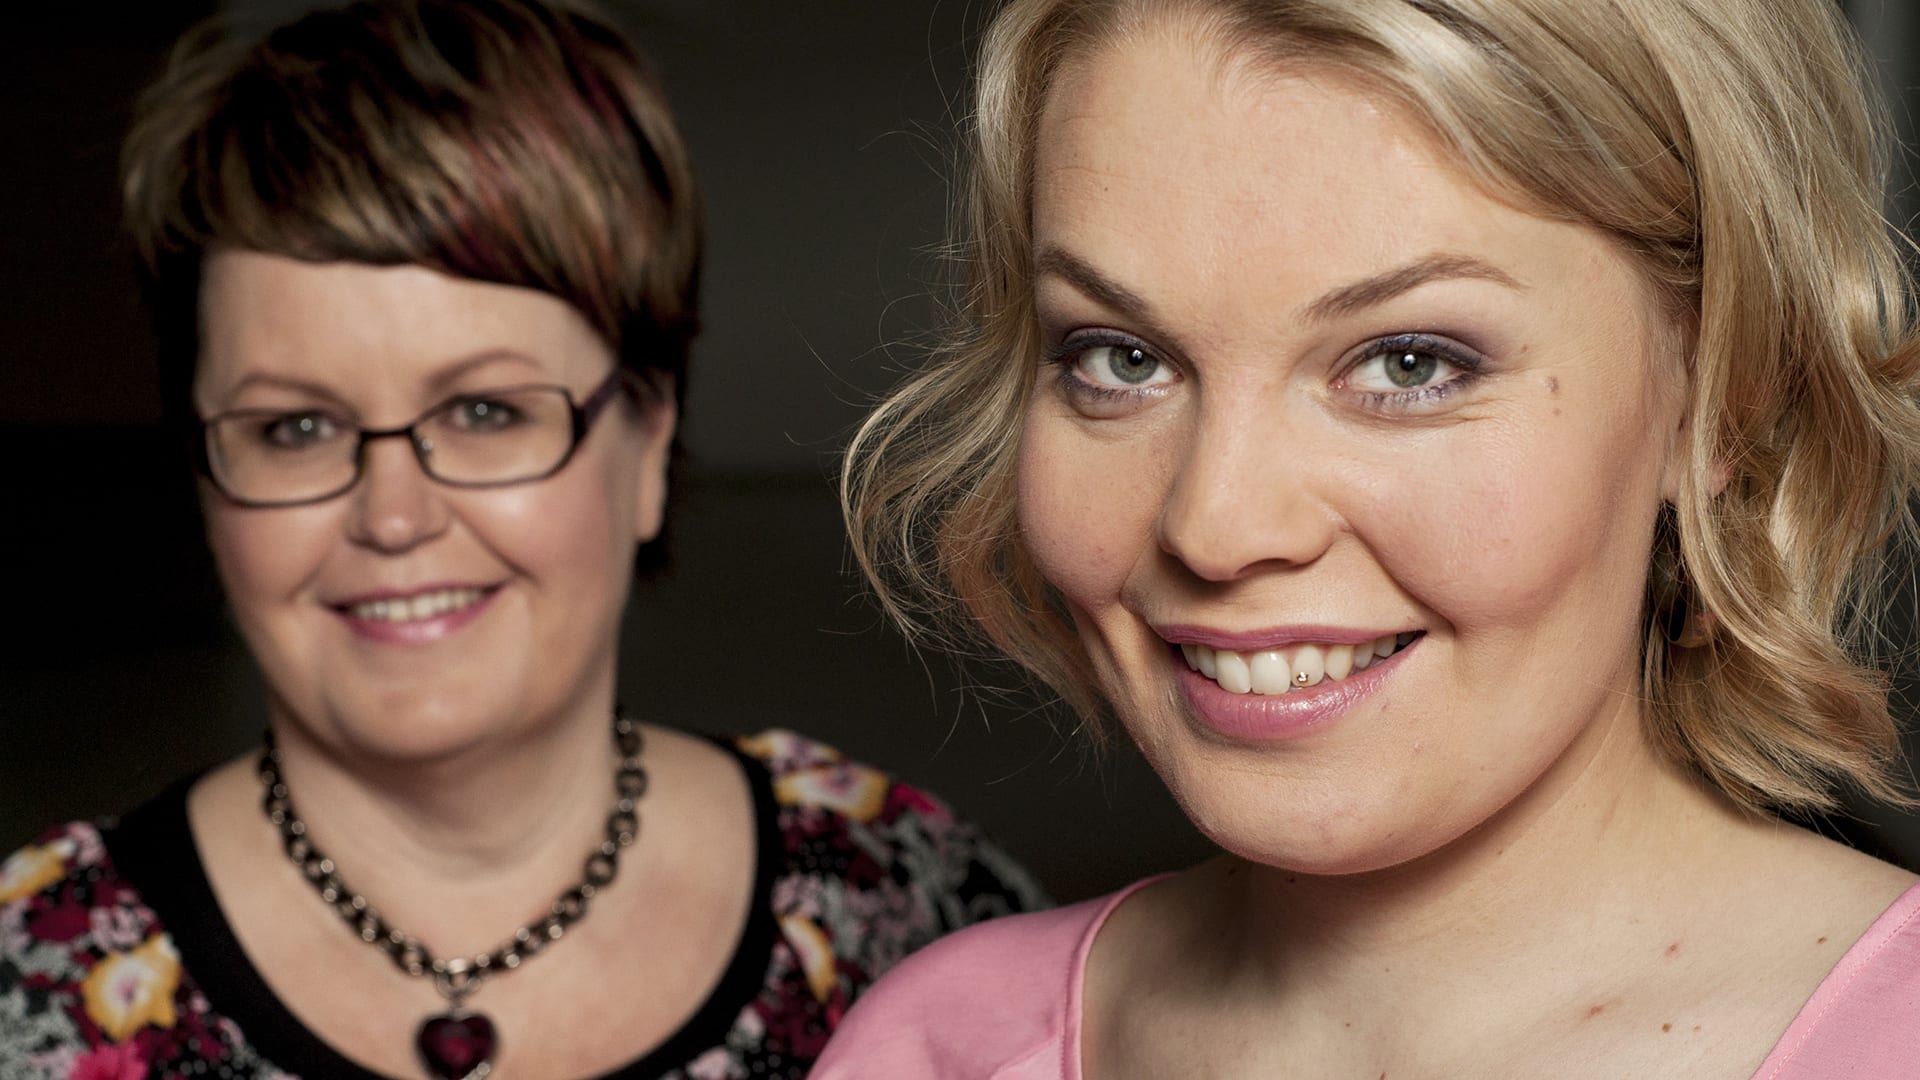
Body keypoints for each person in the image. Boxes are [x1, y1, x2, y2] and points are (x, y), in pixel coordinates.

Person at [818, 0, 1920, 1075]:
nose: (1215, 528)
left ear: (1721, 395)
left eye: (1410, 363)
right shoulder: (938, 1046)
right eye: (1120, 358)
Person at [0, 2, 1043, 1077]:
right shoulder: (33, 975)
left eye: (485, 411)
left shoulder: (909, 900)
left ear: (648, 439)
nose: (393, 517)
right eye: (295, 428)